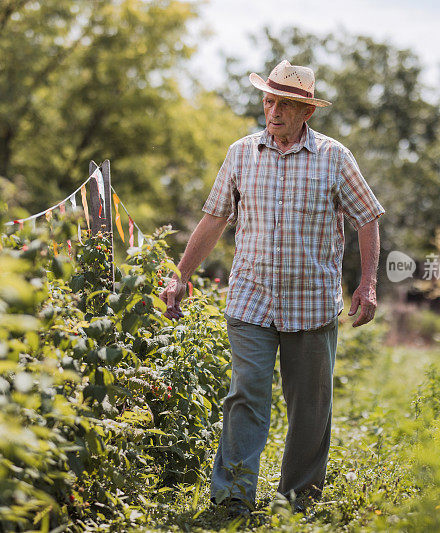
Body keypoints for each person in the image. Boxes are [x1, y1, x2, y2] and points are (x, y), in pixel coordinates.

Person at [159, 59, 385, 515]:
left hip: (312, 303)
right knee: (246, 396)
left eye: (285, 103)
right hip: (251, 300)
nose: (274, 110)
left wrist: (367, 283)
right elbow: (214, 218)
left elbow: (368, 217)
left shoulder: (335, 158)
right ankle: (232, 498)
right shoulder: (241, 153)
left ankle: (297, 502)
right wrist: (180, 275)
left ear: (307, 112)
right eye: (269, 100)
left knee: (310, 408)